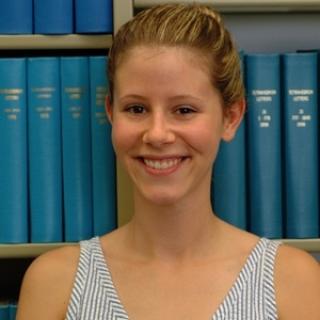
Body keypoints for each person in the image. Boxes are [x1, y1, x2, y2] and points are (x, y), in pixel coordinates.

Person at [17, 3, 320, 320]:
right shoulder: (55, 282)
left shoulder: (291, 281)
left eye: (184, 110)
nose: (157, 134)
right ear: (110, 113)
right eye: (136, 109)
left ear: (231, 117)